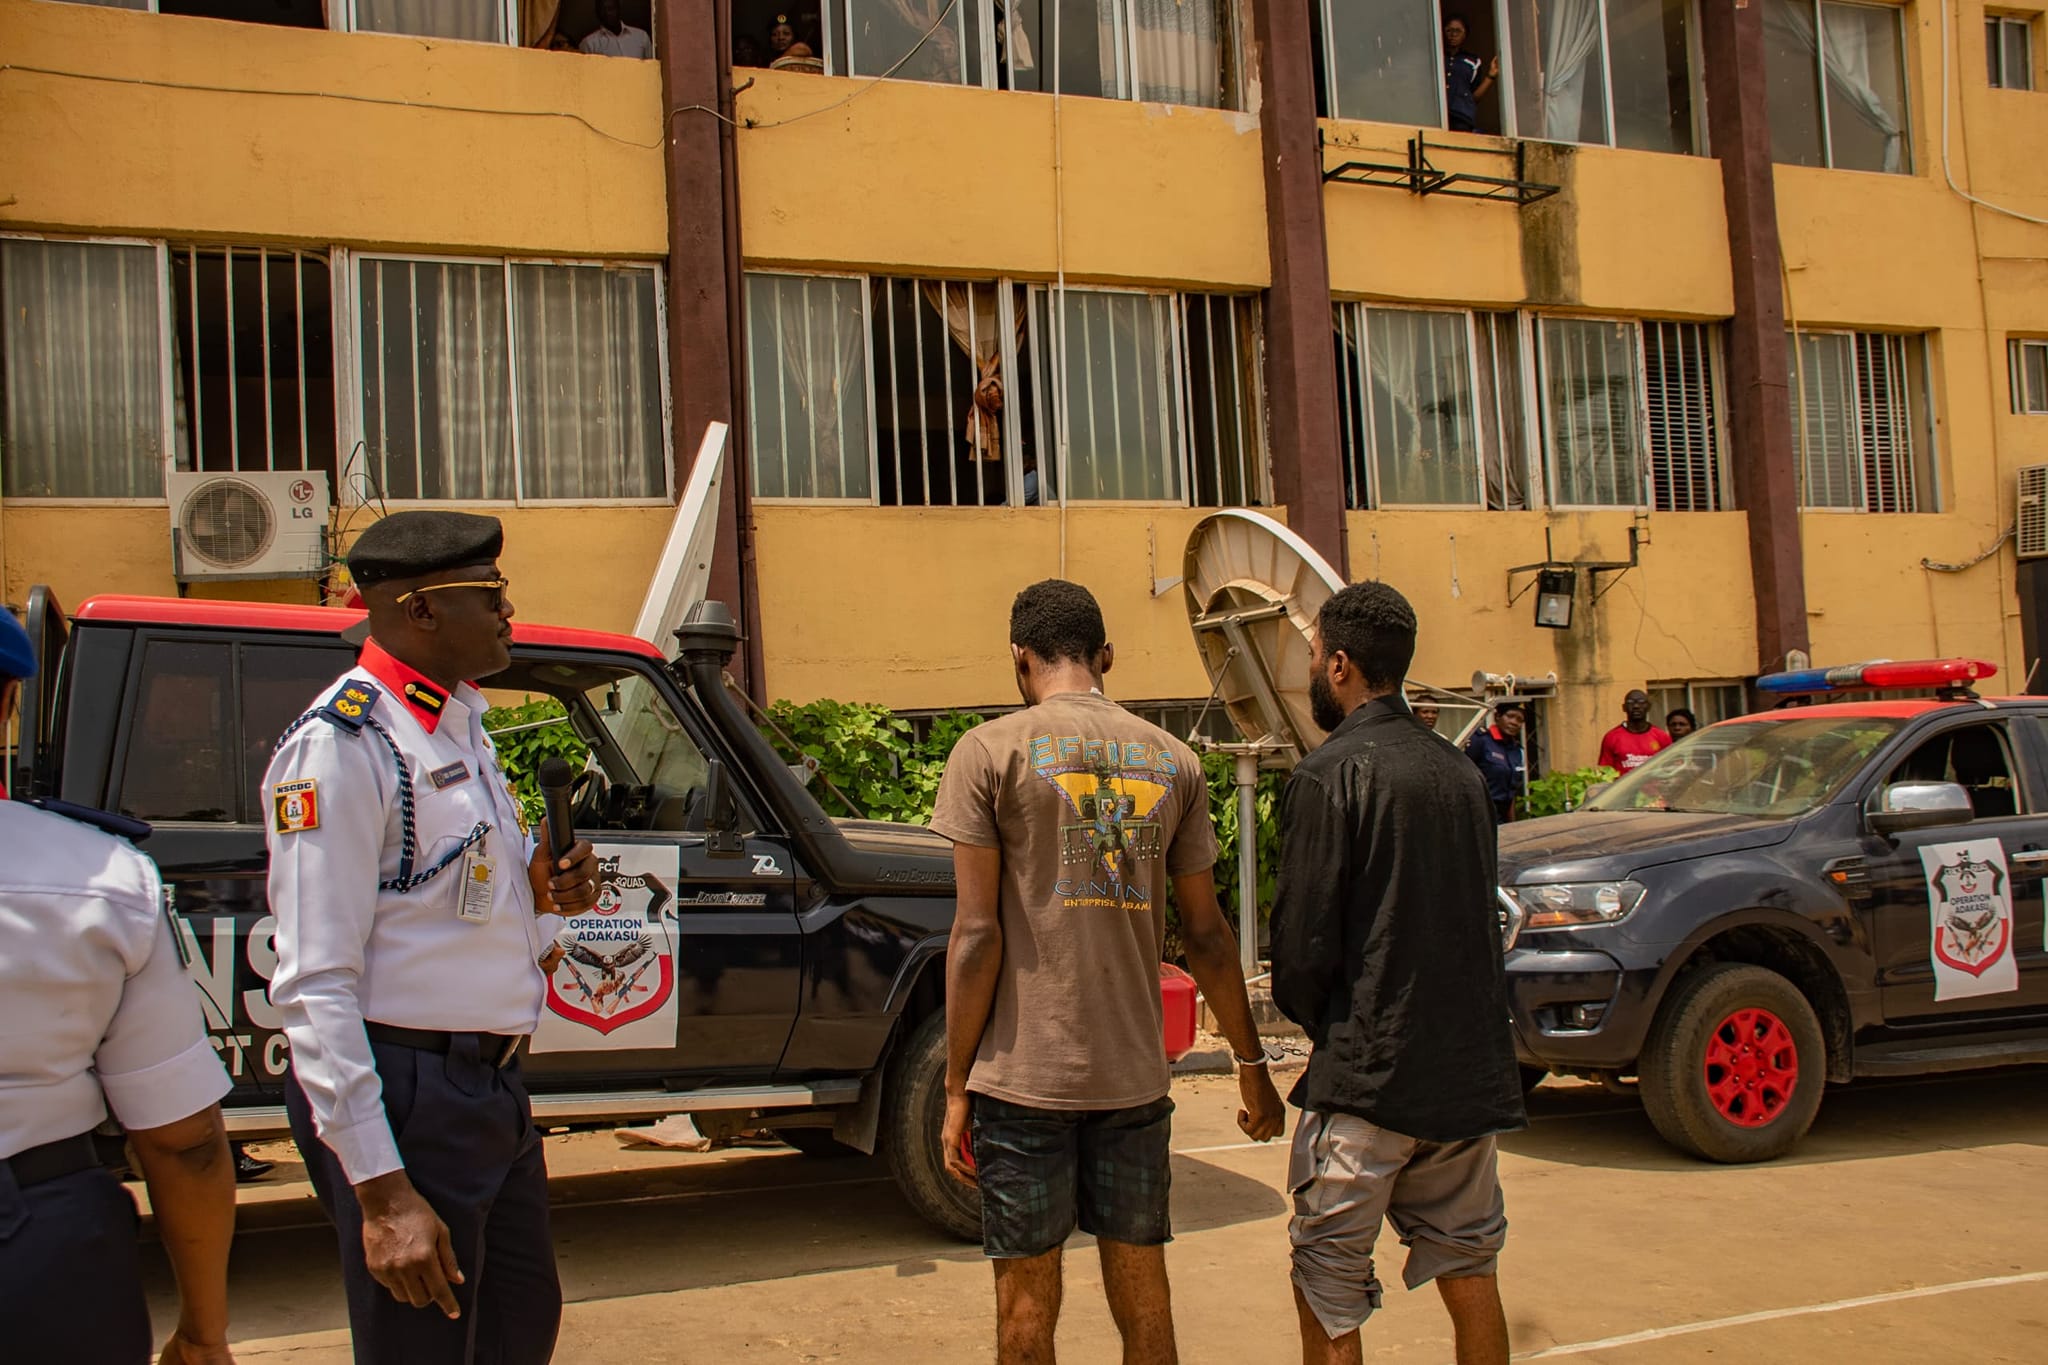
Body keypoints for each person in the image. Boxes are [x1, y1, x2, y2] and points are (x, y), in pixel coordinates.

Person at [267, 512, 601, 1365]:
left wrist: (547, 899)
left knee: (519, 1327)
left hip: (487, 1090)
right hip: (408, 1093)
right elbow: (313, 983)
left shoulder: (456, 727)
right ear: (419, 610)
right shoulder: (345, 745)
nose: (508, 611)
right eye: (489, 595)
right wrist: (381, 1194)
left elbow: (457, 908)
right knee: (427, 1344)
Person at [930, 579, 1286, 1365]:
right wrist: (1252, 1068)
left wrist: (956, 1087)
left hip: (1023, 1081)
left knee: (1025, 1306)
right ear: (1107, 657)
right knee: (1146, 1298)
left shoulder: (987, 751)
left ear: (1020, 658)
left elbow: (976, 935)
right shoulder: (1177, 760)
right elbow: (1209, 936)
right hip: (1134, 1078)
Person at [1271, 582, 1524, 1365]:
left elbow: (1303, 955)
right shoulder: (1461, 774)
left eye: (1315, 657)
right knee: (1471, 1268)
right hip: (1465, 1076)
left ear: (1341, 665)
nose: (1312, 670)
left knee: (1328, 1284)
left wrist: (1336, 1027)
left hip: (1368, 1080)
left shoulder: (1326, 776)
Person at [0, 607, 240, 1365]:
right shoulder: (99, 876)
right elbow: (184, 1141)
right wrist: (204, 1330)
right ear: (9, 701)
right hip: (38, 1247)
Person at [1463, 703, 1526, 823]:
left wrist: (1512, 823)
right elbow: (1464, 776)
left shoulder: (1517, 750)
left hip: (1502, 815)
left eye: (1520, 720)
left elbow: (1512, 791)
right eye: (1510, 716)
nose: (1514, 722)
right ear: (1497, 716)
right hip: (1481, 812)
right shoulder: (1481, 740)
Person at [1597, 690, 1673, 775]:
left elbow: (1669, 769)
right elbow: (1604, 773)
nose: (1636, 706)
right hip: (1624, 788)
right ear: (1624, 707)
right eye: (1630, 702)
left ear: (1648, 707)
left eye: (1641, 702)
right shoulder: (1611, 737)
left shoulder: (1661, 736)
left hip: (1654, 787)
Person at [1442, 16, 1498, 134]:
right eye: (1449, 30)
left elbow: (1473, 97)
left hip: (1461, 116)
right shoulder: (1436, 57)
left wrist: (1490, 76)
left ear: (1465, 35)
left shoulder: (1472, 61)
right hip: (1437, 115)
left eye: (1458, 31)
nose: (1453, 34)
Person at [578, 0, 652, 57]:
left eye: (611, 8)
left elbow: (651, 69)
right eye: (603, 10)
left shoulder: (641, 37)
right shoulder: (589, 44)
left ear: (619, 8)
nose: (608, 13)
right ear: (597, 13)